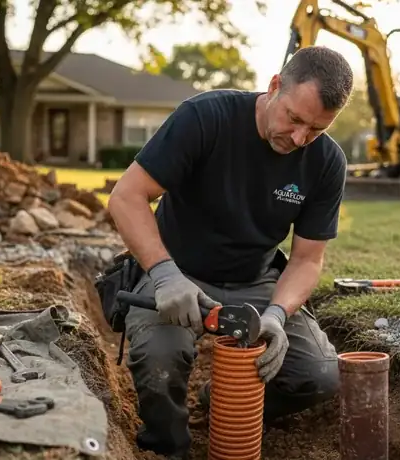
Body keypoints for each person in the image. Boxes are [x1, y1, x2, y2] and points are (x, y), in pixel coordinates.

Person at [106, 45, 354, 459]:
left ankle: (224, 402)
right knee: (160, 361)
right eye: (294, 118)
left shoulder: (327, 162)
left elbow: (308, 259)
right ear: (275, 86)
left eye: (315, 130)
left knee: (321, 375)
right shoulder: (205, 118)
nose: (299, 139)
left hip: (254, 281)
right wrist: (164, 274)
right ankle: (168, 447)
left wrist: (277, 314)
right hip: (175, 272)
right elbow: (127, 197)